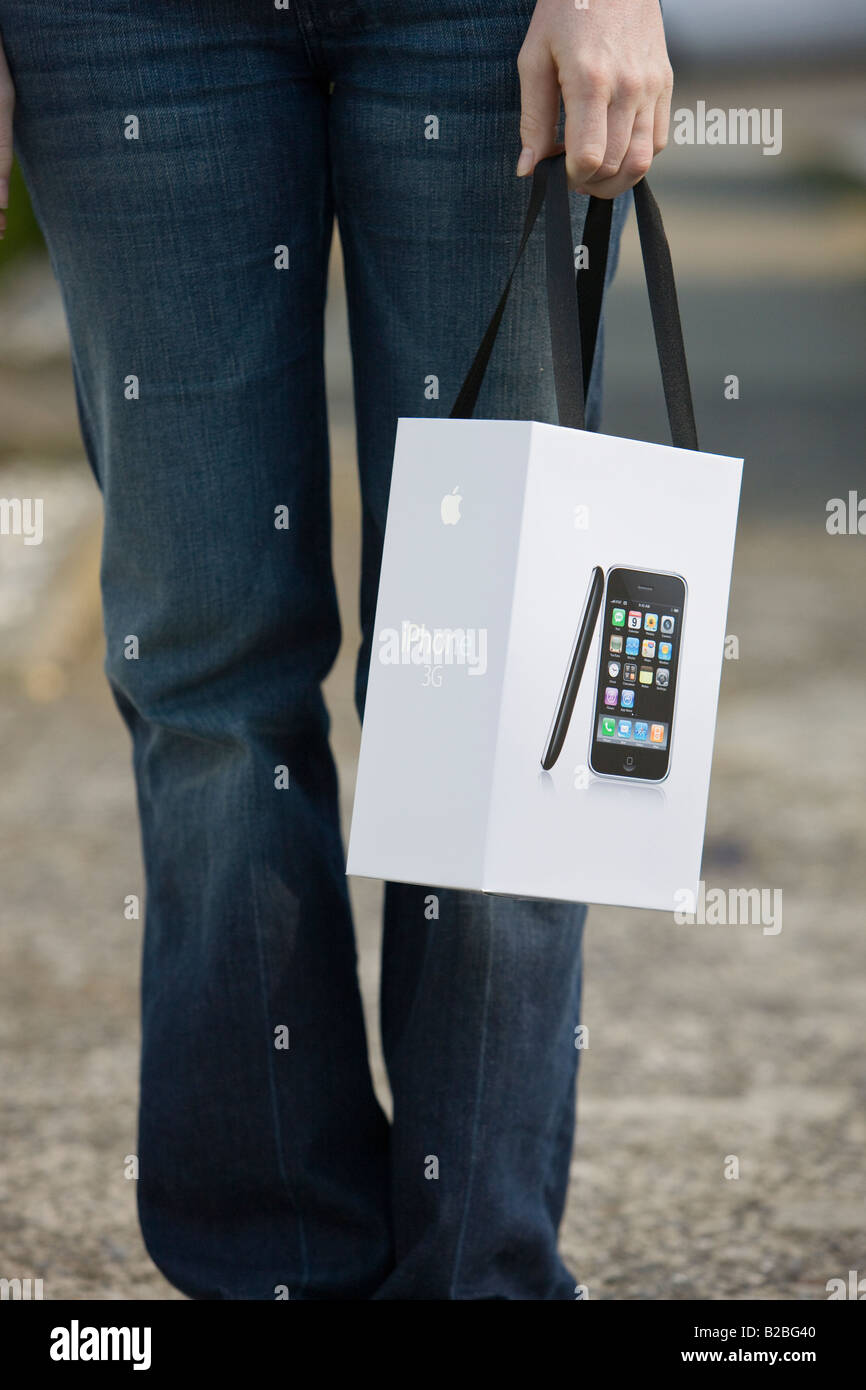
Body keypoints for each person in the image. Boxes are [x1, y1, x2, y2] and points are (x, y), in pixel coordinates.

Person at [0, 1, 673, 1299]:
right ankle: (273, 1268)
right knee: (206, 679)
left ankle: (476, 1270)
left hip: (478, 21)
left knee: (495, 670)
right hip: (125, 30)